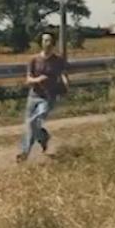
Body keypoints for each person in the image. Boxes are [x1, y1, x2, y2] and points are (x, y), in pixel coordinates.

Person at [17, 32, 69, 162]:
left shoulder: (58, 60)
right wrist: (37, 79)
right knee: (31, 125)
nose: (48, 43)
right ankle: (38, 141)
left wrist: (66, 86)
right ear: (41, 43)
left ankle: (25, 152)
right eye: (45, 40)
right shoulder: (34, 60)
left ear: (54, 43)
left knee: (35, 120)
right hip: (33, 96)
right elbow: (28, 79)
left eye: (50, 40)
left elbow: (63, 75)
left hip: (48, 97)